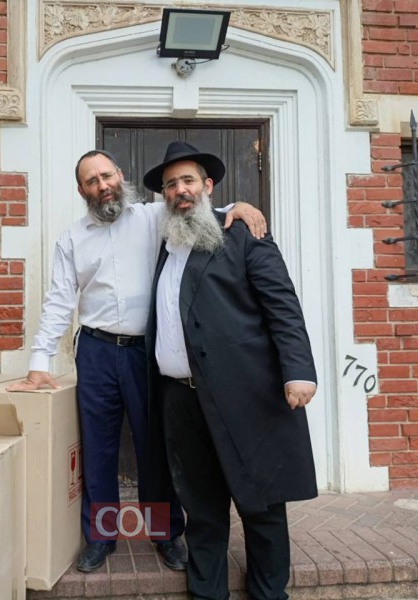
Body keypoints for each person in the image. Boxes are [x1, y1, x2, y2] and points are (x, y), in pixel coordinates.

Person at [7, 149, 267, 573]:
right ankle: (101, 537)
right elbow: (59, 301)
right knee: (98, 448)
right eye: (92, 181)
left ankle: (165, 533)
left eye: (106, 175)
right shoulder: (71, 239)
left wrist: (237, 207)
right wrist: (40, 361)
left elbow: (194, 205)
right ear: (82, 190)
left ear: (120, 175)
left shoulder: (151, 217)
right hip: (95, 351)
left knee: (154, 447)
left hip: (145, 352)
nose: (103, 185)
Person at [142, 141, 318, 600]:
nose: (179, 190)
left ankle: (268, 593)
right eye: (170, 185)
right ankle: (207, 593)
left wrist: (299, 370)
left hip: (244, 392)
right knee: (201, 508)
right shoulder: (165, 242)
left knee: (261, 502)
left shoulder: (242, 234)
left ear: (208, 186)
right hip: (181, 398)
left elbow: (282, 306)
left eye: (188, 181)